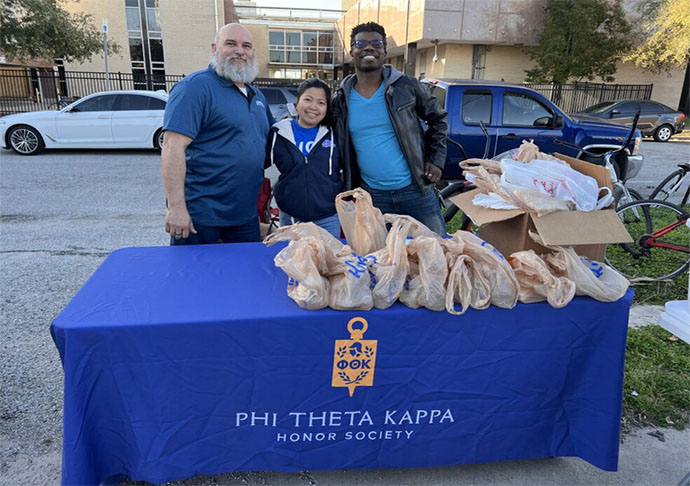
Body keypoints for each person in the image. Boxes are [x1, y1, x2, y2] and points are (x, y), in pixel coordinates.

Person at [331, 22, 448, 235]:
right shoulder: (340, 99)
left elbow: (438, 119)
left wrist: (436, 159)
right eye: (361, 43)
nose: (369, 48)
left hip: (416, 190)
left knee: (437, 252)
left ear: (384, 51)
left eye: (376, 43)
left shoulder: (407, 86)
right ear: (352, 52)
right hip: (373, 196)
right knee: (382, 259)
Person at [161, 23, 273, 245]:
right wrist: (176, 208)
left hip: (245, 216)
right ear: (214, 48)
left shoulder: (257, 96)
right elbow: (172, 148)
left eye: (247, 46)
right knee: (196, 278)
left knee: (243, 277)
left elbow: (271, 144)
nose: (240, 51)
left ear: (253, 53)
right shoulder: (194, 88)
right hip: (200, 217)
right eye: (230, 43)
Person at [265, 78, 343, 238]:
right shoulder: (279, 132)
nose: (313, 107)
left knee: (327, 261)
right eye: (308, 99)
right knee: (293, 261)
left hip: (327, 218)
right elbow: (258, 163)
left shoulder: (335, 134)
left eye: (321, 103)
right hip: (291, 217)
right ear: (297, 101)